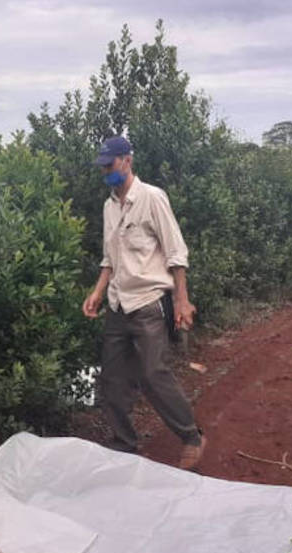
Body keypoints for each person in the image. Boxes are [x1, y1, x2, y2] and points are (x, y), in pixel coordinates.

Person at [81, 135, 206, 470]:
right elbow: (109, 258)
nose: (106, 171)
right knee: (112, 380)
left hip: (150, 302)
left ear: (127, 161)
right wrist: (97, 292)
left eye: (110, 164)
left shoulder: (152, 198)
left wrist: (181, 300)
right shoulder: (109, 206)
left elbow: (177, 252)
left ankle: (192, 436)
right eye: (103, 166)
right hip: (118, 304)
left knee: (153, 374)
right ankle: (124, 446)